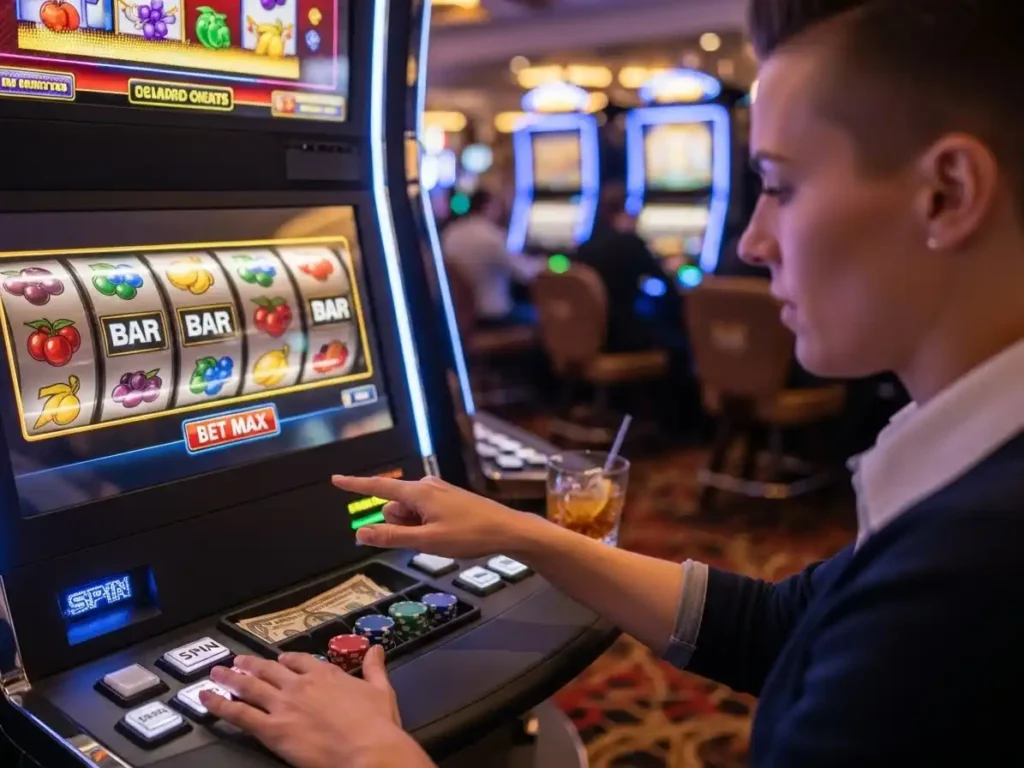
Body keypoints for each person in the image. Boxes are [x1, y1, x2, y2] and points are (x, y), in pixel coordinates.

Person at [201, 0, 1024, 765]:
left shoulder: (965, 586)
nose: (751, 242)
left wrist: (376, 756)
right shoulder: (963, 486)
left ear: (946, 194)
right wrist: (521, 534)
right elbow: (782, 627)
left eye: (778, 185)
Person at [574, 184, 686, 356]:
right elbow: (668, 286)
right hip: (622, 339)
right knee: (677, 336)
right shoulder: (630, 244)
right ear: (626, 211)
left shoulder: (585, 246)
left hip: (588, 334)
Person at [440, 188, 544, 327]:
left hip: (460, 315)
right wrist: (549, 263)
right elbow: (525, 273)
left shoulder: (451, 233)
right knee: (546, 316)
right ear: (488, 207)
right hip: (493, 314)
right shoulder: (490, 235)